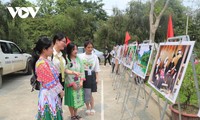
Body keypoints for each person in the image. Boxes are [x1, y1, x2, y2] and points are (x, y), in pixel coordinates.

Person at [32, 36, 64, 119]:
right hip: (48, 95)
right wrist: (60, 91)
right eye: (50, 47)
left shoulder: (46, 61)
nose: (52, 49)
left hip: (52, 94)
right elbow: (50, 82)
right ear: (44, 49)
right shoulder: (41, 63)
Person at [52, 32, 80, 103]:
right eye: (63, 42)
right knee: (52, 103)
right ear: (57, 41)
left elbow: (64, 69)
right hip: (52, 81)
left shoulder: (61, 54)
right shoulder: (50, 54)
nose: (65, 44)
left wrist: (73, 72)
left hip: (61, 79)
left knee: (59, 102)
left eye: (65, 42)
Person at [79, 41, 100, 115]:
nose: (90, 49)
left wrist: (97, 78)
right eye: (88, 47)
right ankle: (87, 107)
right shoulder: (80, 56)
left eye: (91, 47)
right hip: (84, 75)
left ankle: (92, 108)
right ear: (85, 48)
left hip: (92, 75)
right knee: (86, 92)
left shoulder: (95, 56)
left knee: (90, 93)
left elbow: (97, 68)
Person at [64, 43, 85, 120]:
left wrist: (81, 82)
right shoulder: (66, 59)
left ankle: (76, 114)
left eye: (76, 49)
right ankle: (72, 115)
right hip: (70, 84)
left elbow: (82, 70)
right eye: (73, 49)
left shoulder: (78, 59)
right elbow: (65, 71)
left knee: (77, 99)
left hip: (79, 83)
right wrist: (72, 83)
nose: (76, 51)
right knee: (71, 101)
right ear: (69, 50)